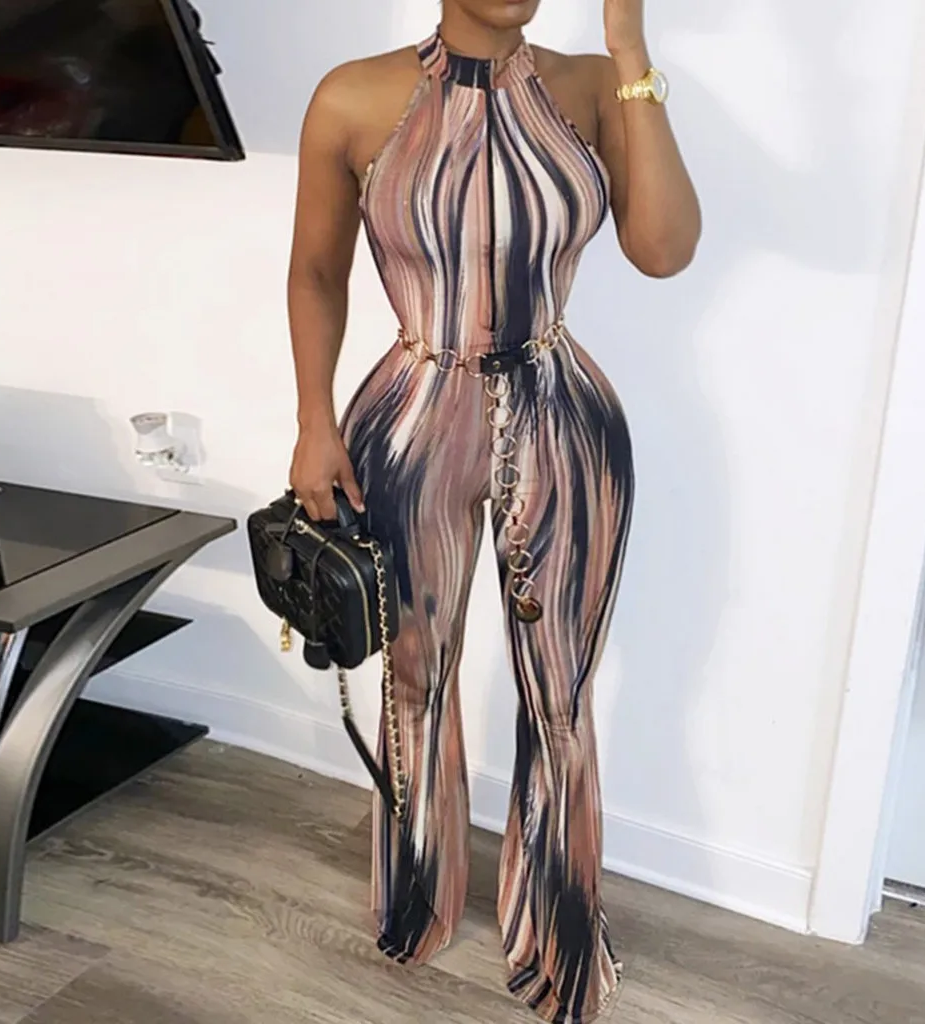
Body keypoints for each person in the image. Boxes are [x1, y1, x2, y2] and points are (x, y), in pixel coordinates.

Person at [286, 1, 700, 1020]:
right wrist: (312, 422)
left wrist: (631, 48)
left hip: (563, 414)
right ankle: (419, 895)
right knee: (414, 669)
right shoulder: (353, 95)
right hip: (408, 415)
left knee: (560, 687)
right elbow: (316, 269)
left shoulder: (592, 86)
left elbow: (663, 249)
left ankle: (559, 927)